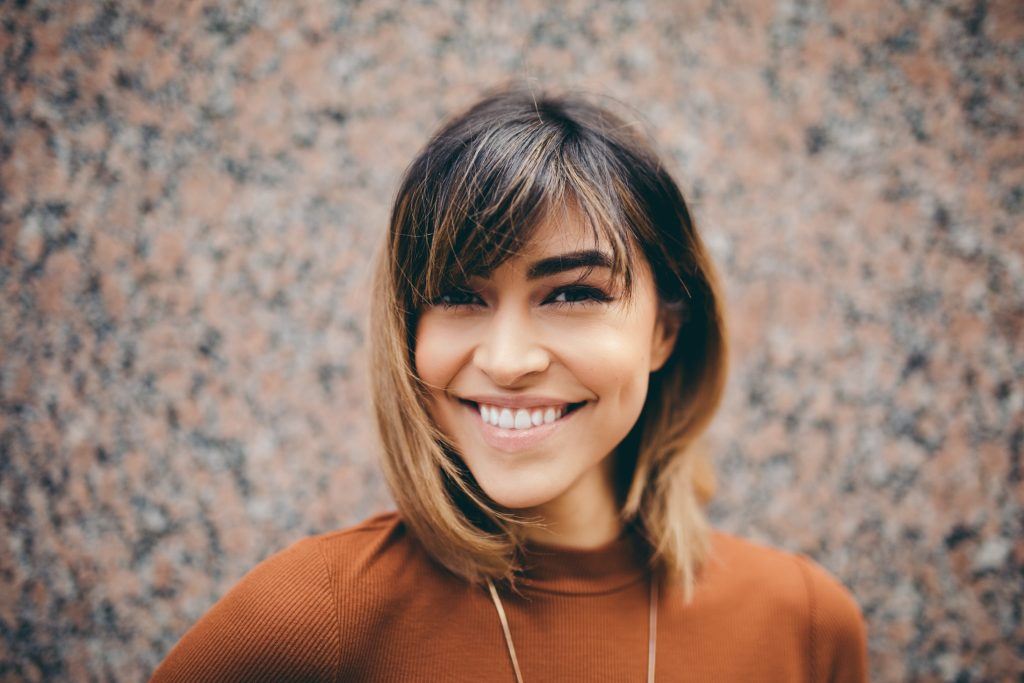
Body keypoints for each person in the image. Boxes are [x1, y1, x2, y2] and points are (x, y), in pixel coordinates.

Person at [150, 84, 869, 682]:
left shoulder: (803, 623)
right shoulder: (314, 615)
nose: (507, 359)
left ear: (664, 330)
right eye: (460, 294)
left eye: (573, 293)